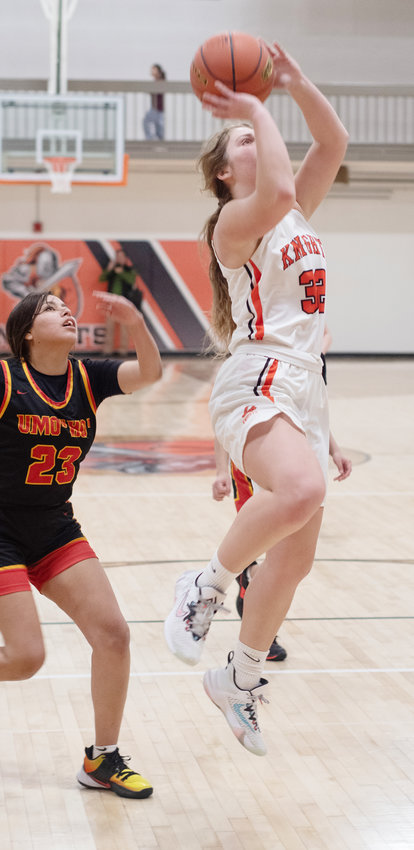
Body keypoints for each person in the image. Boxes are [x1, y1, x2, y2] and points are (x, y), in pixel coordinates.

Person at [164, 41, 349, 756]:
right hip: (258, 376)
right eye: (244, 136)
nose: (259, 135)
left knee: (295, 559)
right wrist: (251, 106)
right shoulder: (234, 223)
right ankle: (205, 585)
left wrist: (296, 82)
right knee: (298, 492)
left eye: (256, 132)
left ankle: (236, 680)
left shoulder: (292, 210)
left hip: (302, 382)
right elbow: (273, 189)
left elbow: (332, 140)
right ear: (222, 169)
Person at [0, 288, 162, 795]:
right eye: (49, 308)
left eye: (65, 306)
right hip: (0, 529)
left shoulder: (87, 377)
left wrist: (136, 323)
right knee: (26, 659)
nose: (65, 311)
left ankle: (103, 760)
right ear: (26, 332)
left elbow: (150, 374)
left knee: (113, 634)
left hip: (54, 526)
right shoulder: (5, 377)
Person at [212, 431, 352, 654]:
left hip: (295, 467)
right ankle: (254, 646)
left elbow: (314, 408)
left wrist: (334, 450)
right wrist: (221, 471)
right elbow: (226, 424)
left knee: (288, 561)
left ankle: (247, 578)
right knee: (271, 550)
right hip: (250, 470)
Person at [99, 249, 142, 356]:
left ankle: (123, 351)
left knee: (124, 329)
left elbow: (132, 280)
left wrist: (121, 273)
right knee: (109, 327)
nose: (119, 259)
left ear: (125, 258)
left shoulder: (129, 269)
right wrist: (109, 269)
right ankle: (107, 350)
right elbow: (102, 278)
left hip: (124, 303)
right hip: (111, 303)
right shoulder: (112, 270)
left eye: (121, 257)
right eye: (118, 257)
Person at [143, 64, 166, 141]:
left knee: (157, 128)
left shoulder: (161, 81)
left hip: (157, 109)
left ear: (158, 71)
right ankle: (153, 139)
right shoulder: (156, 81)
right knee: (156, 127)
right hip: (155, 109)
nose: (152, 71)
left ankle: (152, 140)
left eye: (154, 70)